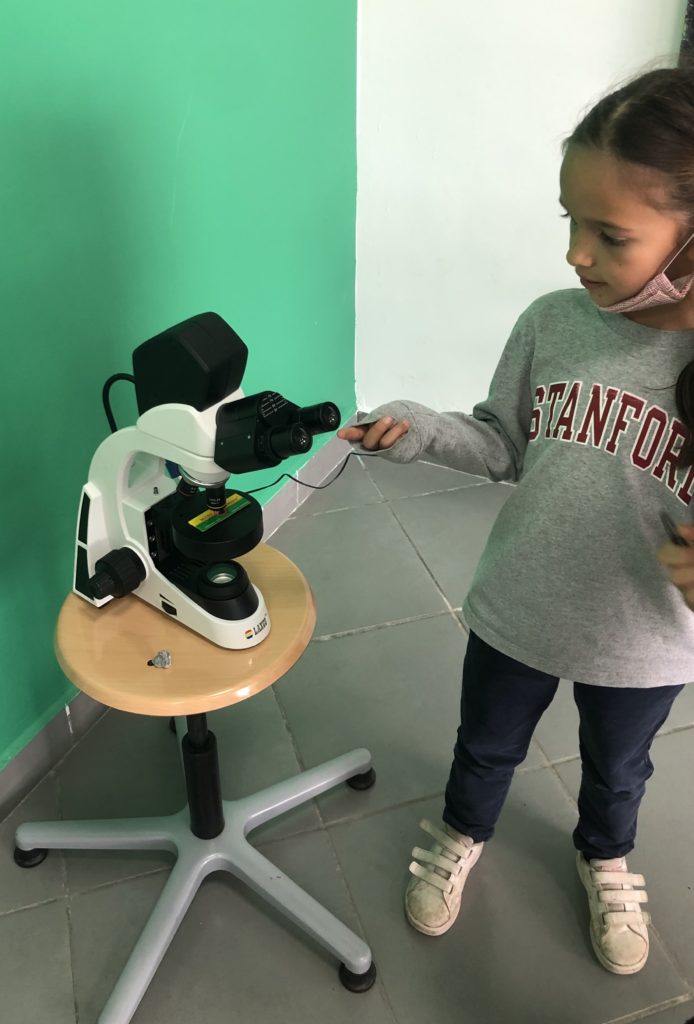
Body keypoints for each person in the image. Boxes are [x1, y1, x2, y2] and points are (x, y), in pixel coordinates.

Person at [339, 65, 694, 976]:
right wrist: (422, 429)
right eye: (569, 223)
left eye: (610, 235)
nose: (577, 254)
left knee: (620, 770)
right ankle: (463, 831)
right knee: (485, 744)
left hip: (646, 643)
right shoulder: (552, 322)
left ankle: (604, 856)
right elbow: (502, 441)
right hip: (519, 608)